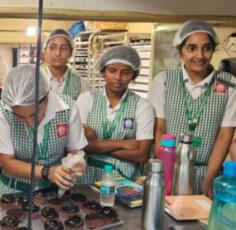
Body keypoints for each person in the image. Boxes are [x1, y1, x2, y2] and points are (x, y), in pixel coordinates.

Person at [148, 20, 236, 197]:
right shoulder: (164, 80)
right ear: (180, 51)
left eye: (207, 48)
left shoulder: (229, 84)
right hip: (169, 167)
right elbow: (159, 129)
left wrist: (209, 179)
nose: (200, 55)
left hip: (206, 170)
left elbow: (224, 136)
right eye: (192, 48)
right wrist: (165, 173)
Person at [0, 64, 87, 194]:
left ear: (46, 97)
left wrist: (76, 163)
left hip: (54, 191)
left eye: (33, 115)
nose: (29, 123)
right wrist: (47, 172)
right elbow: (7, 162)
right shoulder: (2, 111)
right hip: (14, 190)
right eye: (19, 116)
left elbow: (75, 151)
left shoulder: (67, 108)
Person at [76, 46, 154, 183]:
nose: (118, 77)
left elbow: (142, 155)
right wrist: (123, 143)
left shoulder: (142, 106)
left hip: (124, 179)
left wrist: (96, 146)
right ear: (103, 72)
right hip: (87, 176)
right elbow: (80, 145)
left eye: (125, 72)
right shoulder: (86, 99)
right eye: (112, 71)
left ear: (133, 75)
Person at [41, 29, 89, 100]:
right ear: (45, 50)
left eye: (63, 48)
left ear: (71, 52)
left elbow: (87, 109)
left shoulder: (81, 84)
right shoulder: (36, 80)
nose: (58, 53)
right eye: (52, 48)